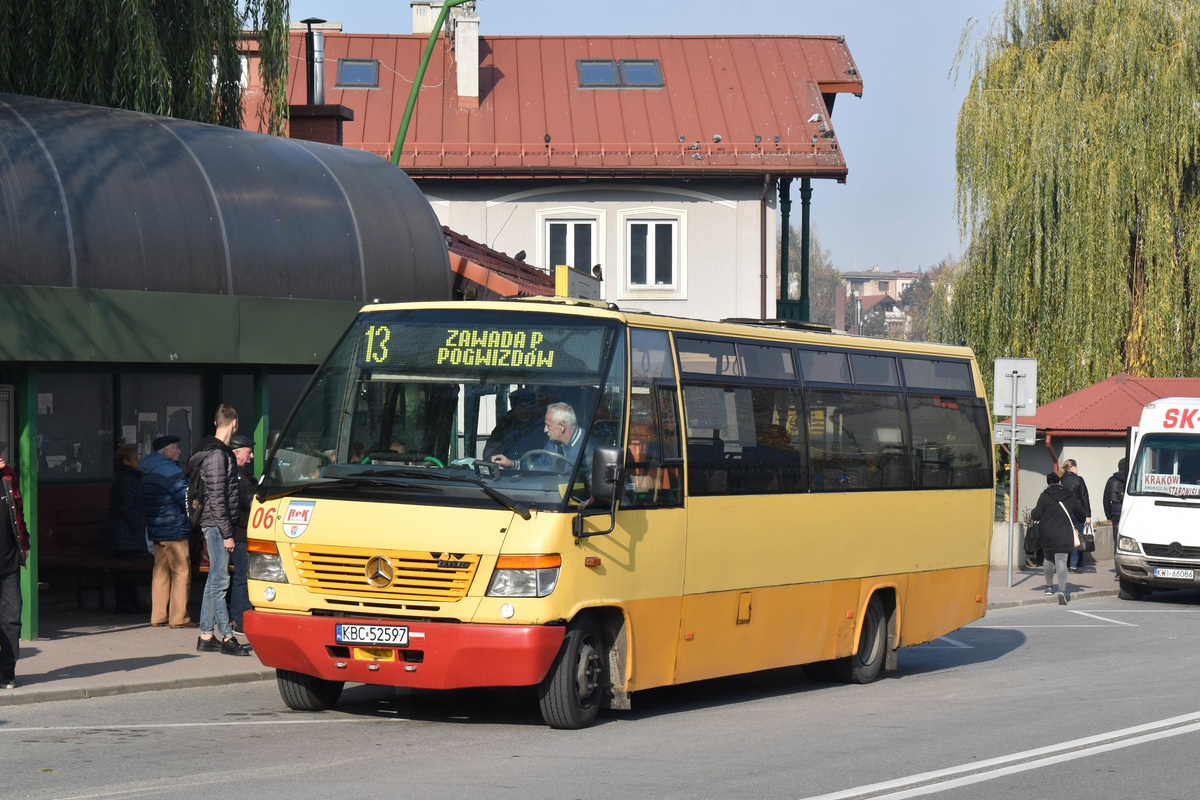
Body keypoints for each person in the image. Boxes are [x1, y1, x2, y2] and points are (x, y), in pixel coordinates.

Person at [188, 404, 250, 656]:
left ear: (216, 422)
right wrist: (227, 534)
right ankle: (226, 637)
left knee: (215, 579)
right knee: (221, 580)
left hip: (216, 523)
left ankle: (205, 634)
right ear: (234, 423)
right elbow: (217, 497)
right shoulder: (216, 455)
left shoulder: (215, 452)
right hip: (216, 524)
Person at [142, 435, 195, 628]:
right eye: (176, 448)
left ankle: (158, 616)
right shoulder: (171, 471)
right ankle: (179, 617)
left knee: (160, 572)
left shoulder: (148, 471)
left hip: (156, 528)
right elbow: (185, 498)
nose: (179, 452)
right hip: (174, 528)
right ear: (166, 451)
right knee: (181, 571)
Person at [102, 445, 150, 614]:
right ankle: (126, 603)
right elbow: (127, 506)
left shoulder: (128, 478)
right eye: (135, 458)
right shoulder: (126, 479)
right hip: (125, 532)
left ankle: (131, 602)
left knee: (128, 570)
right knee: (126, 570)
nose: (139, 460)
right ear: (126, 461)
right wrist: (138, 527)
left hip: (125, 531)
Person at [490, 401, 592, 476]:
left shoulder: (588, 449)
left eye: (548, 425)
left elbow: (591, 489)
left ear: (561, 426)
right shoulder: (553, 444)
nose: (545, 430)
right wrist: (512, 464)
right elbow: (537, 465)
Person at [1030, 471, 1087, 604]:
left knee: (1048, 558)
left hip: (1047, 533)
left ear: (1047, 483)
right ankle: (1062, 590)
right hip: (1064, 532)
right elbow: (1081, 515)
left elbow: (1036, 515)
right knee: (1061, 560)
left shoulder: (1044, 496)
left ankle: (1049, 587)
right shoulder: (1070, 495)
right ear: (1060, 482)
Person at [0, 443, 29, 689]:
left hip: (8, 561)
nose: (1, 456)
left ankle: (7, 672)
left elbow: (18, 513)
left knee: (11, 617)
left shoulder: (9, 476)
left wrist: (25, 545)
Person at [228, 433, 255, 633]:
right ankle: (238, 620)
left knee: (244, 577)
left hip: (243, 532)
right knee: (242, 578)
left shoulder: (242, 474)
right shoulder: (236, 476)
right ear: (237, 453)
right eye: (249, 452)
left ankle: (241, 618)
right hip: (240, 534)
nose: (252, 456)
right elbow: (238, 507)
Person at [482, 389, 545, 462]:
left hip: (536, 469)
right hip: (507, 470)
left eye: (528, 407)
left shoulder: (541, 425)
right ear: (513, 408)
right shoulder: (504, 426)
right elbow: (490, 451)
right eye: (521, 407)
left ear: (534, 408)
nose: (524, 411)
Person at [1060, 458, 1092, 572]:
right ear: (1072, 467)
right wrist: (1088, 515)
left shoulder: (1061, 480)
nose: (1077, 468)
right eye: (1076, 466)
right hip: (1078, 513)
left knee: (1066, 538)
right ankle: (1074, 564)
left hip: (1065, 513)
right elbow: (1085, 498)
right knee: (1077, 539)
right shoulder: (1079, 480)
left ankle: (1064, 563)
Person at [1103, 457, 1128, 552]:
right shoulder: (1133, 478)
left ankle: (1116, 559)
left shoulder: (1111, 480)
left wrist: (1108, 516)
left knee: (1117, 539)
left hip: (1116, 513)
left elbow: (1106, 499)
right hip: (1128, 513)